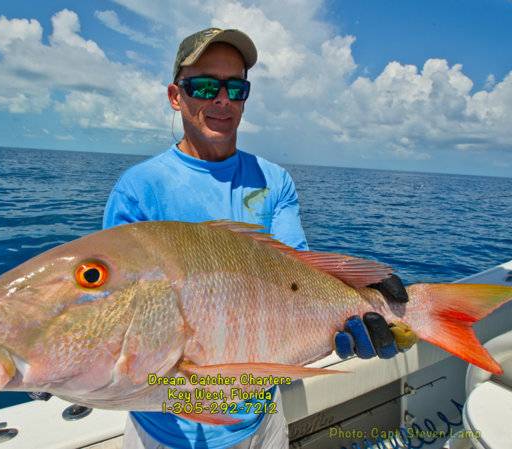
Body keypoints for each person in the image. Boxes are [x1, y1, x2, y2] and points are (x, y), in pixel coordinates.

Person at [102, 28, 416, 449]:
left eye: (236, 87)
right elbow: (112, 309)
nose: (222, 99)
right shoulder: (138, 189)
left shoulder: (275, 180)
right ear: (176, 96)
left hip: (264, 422)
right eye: (205, 86)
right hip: (163, 431)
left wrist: (367, 297)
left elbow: (297, 273)